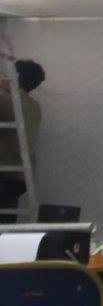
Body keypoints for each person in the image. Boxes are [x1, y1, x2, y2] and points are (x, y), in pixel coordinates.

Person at [0, 59, 43, 221]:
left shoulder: (7, 101)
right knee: (6, 218)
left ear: (15, 77)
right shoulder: (34, 106)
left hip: (5, 172)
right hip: (21, 175)